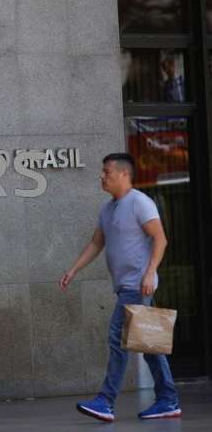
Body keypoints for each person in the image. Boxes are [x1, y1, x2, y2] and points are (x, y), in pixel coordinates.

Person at [59, 153, 180, 422]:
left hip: (137, 286)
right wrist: (74, 269)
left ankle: (105, 401)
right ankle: (168, 400)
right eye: (102, 172)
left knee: (118, 340)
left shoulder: (140, 203)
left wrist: (149, 274)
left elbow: (160, 240)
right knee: (149, 346)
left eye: (107, 172)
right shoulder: (107, 209)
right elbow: (95, 243)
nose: (102, 176)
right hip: (127, 286)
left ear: (124, 174)